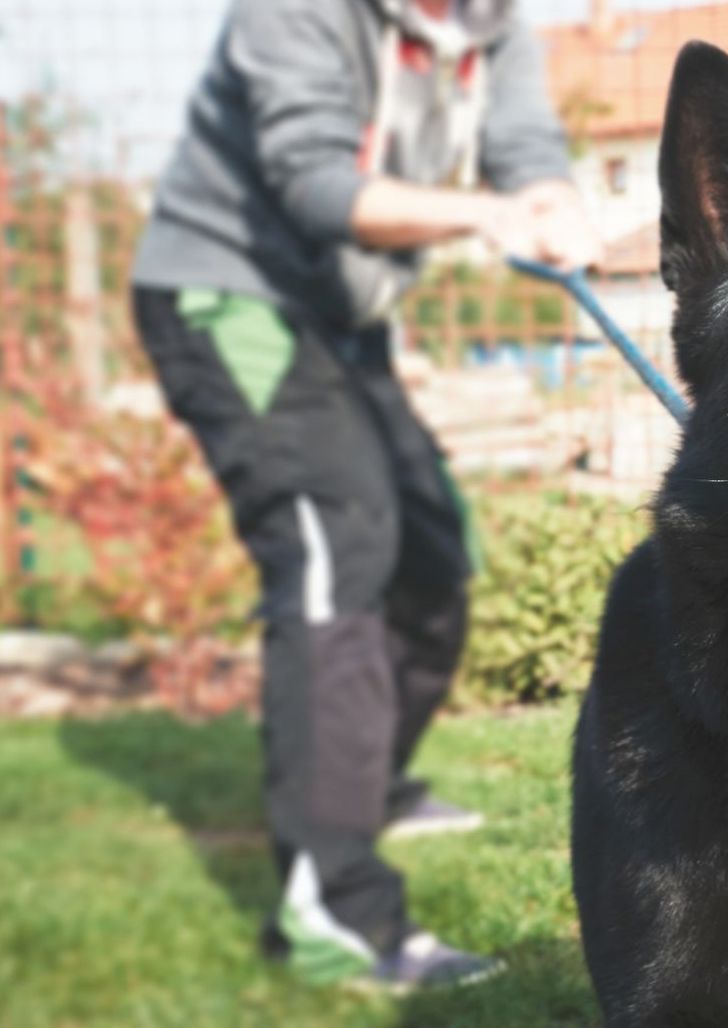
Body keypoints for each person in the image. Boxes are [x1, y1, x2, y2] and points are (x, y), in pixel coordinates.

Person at [129, 0, 599, 991]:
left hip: (343, 319)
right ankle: (333, 907)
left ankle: (365, 778)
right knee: (335, 546)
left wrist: (550, 198)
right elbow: (317, 185)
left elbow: (521, 140)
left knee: (431, 549)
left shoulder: (492, 20)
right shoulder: (292, 12)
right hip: (230, 296)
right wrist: (486, 214)